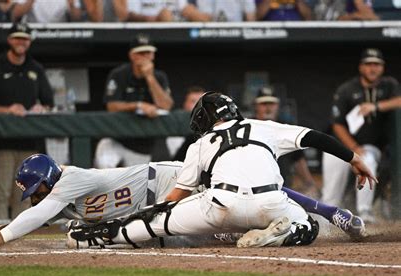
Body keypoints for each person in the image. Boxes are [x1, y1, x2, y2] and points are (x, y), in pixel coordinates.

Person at [65, 92, 375, 249]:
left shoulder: (201, 144)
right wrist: (354, 158)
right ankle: (286, 233)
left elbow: (174, 196)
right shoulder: (263, 126)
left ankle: (95, 236)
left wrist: (145, 216)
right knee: (308, 227)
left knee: (155, 224)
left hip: (217, 204)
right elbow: (315, 137)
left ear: (206, 119)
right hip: (270, 203)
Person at [0, 150, 367, 250]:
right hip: (149, 208)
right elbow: (49, 214)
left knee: (247, 194)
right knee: (79, 236)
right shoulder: (66, 203)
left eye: (34, 189)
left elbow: (38, 213)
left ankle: (331, 213)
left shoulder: (68, 181)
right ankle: (269, 230)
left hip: (167, 181)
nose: (33, 197)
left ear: (46, 181)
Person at [0, 23, 53, 221]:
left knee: (24, 193)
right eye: (17, 38)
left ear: (29, 42)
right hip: (2, 140)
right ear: (10, 40)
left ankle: (19, 236)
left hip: (28, 140)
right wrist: (8, 110)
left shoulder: (35, 68)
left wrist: (40, 108)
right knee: (1, 192)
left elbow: (49, 102)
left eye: (25, 39)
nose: (21, 42)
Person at [322, 48, 401, 223]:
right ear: (361, 67)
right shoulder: (347, 89)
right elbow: (337, 124)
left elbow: (399, 100)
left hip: (370, 146)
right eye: (368, 64)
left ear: (382, 67)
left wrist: (376, 106)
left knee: (367, 160)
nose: (372, 68)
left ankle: (364, 212)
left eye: (376, 64)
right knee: (332, 175)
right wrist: (353, 148)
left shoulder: (389, 85)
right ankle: (326, 217)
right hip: (344, 144)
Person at [94, 33, 174, 169]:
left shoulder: (159, 77)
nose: (145, 57)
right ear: (132, 55)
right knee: (104, 163)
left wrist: (149, 77)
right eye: (141, 53)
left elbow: (166, 105)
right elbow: (111, 106)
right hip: (118, 139)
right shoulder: (119, 74)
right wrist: (138, 105)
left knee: (137, 184)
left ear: (153, 55)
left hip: (143, 146)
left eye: (148, 52)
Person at [253, 86, 320, 197]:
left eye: (271, 103)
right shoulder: (247, 127)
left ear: (278, 106)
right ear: (256, 106)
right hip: (252, 187)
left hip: (282, 188)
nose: (268, 107)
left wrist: (309, 183)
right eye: (264, 104)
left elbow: (298, 158)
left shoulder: (286, 128)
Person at [126, 0, 208, 22]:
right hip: (150, 33)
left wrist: (192, 13)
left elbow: (185, 9)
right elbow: (130, 15)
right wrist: (155, 19)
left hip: (178, 32)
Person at [11, 0, 83, 22]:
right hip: (32, 33)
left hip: (60, 35)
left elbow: (77, 19)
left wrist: (72, 6)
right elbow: (16, 14)